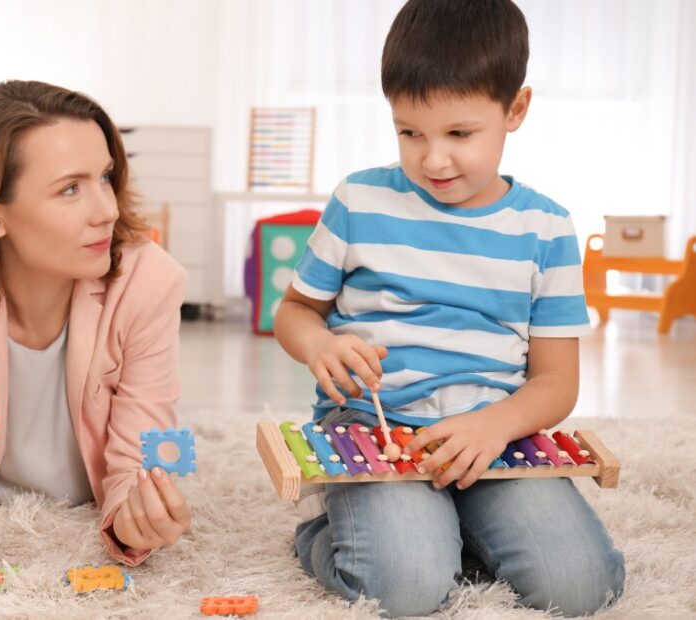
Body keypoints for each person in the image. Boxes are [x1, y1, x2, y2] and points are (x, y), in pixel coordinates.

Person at [273, 1, 625, 616]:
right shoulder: (359, 200)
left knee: (580, 587)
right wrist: (319, 344)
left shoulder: (546, 228)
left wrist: (494, 428)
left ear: (515, 110)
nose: (433, 159)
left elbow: (556, 382)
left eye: (459, 134)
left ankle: (447, 529)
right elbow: (295, 310)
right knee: (404, 589)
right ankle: (327, 532)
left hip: (494, 438)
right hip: (374, 430)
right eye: (410, 132)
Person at [0, 80, 191, 567]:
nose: (107, 210)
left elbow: (138, 461)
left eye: (106, 178)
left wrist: (136, 521)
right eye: (70, 189)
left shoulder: (149, 282)